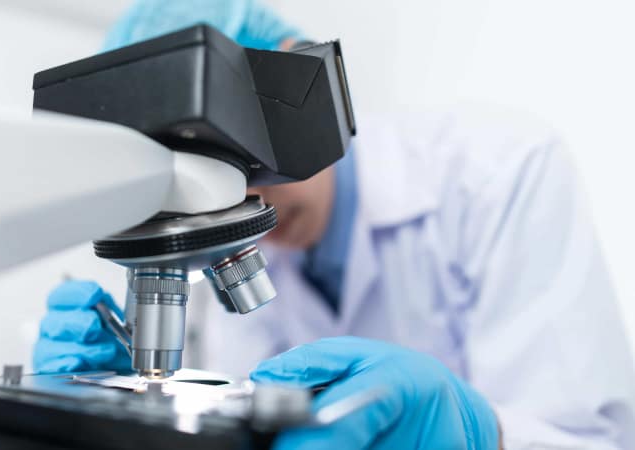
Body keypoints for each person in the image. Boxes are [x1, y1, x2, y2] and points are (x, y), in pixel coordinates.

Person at [33, 1, 635, 449]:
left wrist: (474, 431)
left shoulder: (502, 172)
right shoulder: (243, 249)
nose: (246, 220)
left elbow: (590, 438)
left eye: (244, 183)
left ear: (302, 98)